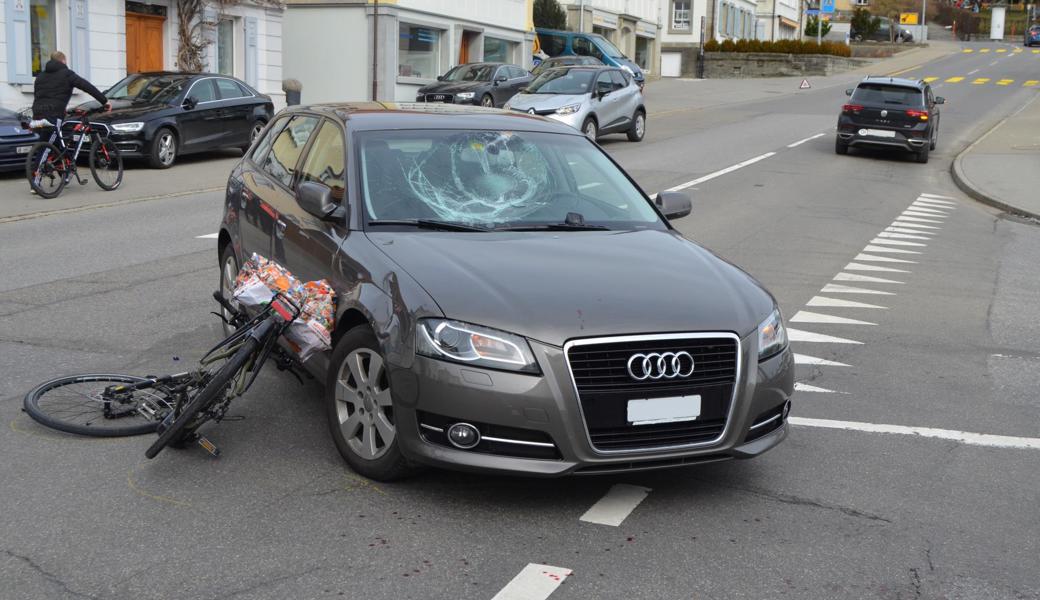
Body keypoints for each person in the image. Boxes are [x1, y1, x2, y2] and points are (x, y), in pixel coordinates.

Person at [31, 50, 109, 128]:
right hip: (54, 114)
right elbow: (87, 87)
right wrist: (104, 101)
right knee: (56, 137)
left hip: (37, 113)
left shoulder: (40, 76)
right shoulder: (67, 74)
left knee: (43, 137)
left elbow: (37, 95)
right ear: (63, 61)